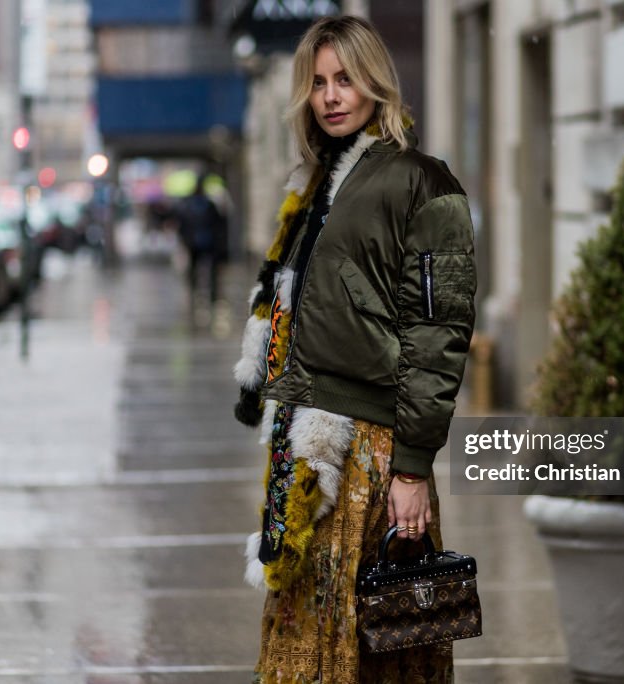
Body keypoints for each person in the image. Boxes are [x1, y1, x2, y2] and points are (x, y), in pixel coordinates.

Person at [233, 15, 476, 683]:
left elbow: (441, 330)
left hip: (371, 449)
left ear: (377, 84)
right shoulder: (310, 187)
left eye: (346, 79)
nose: (332, 96)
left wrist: (413, 468)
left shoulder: (423, 181)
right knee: (301, 641)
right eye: (318, 83)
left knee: (372, 646)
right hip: (303, 442)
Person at [178, 174, 227, 303]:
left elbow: (182, 224)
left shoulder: (193, 205)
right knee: (205, 269)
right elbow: (219, 223)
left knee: (199, 268)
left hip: (200, 242)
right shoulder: (206, 204)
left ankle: (200, 292)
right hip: (202, 241)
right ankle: (207, 293)